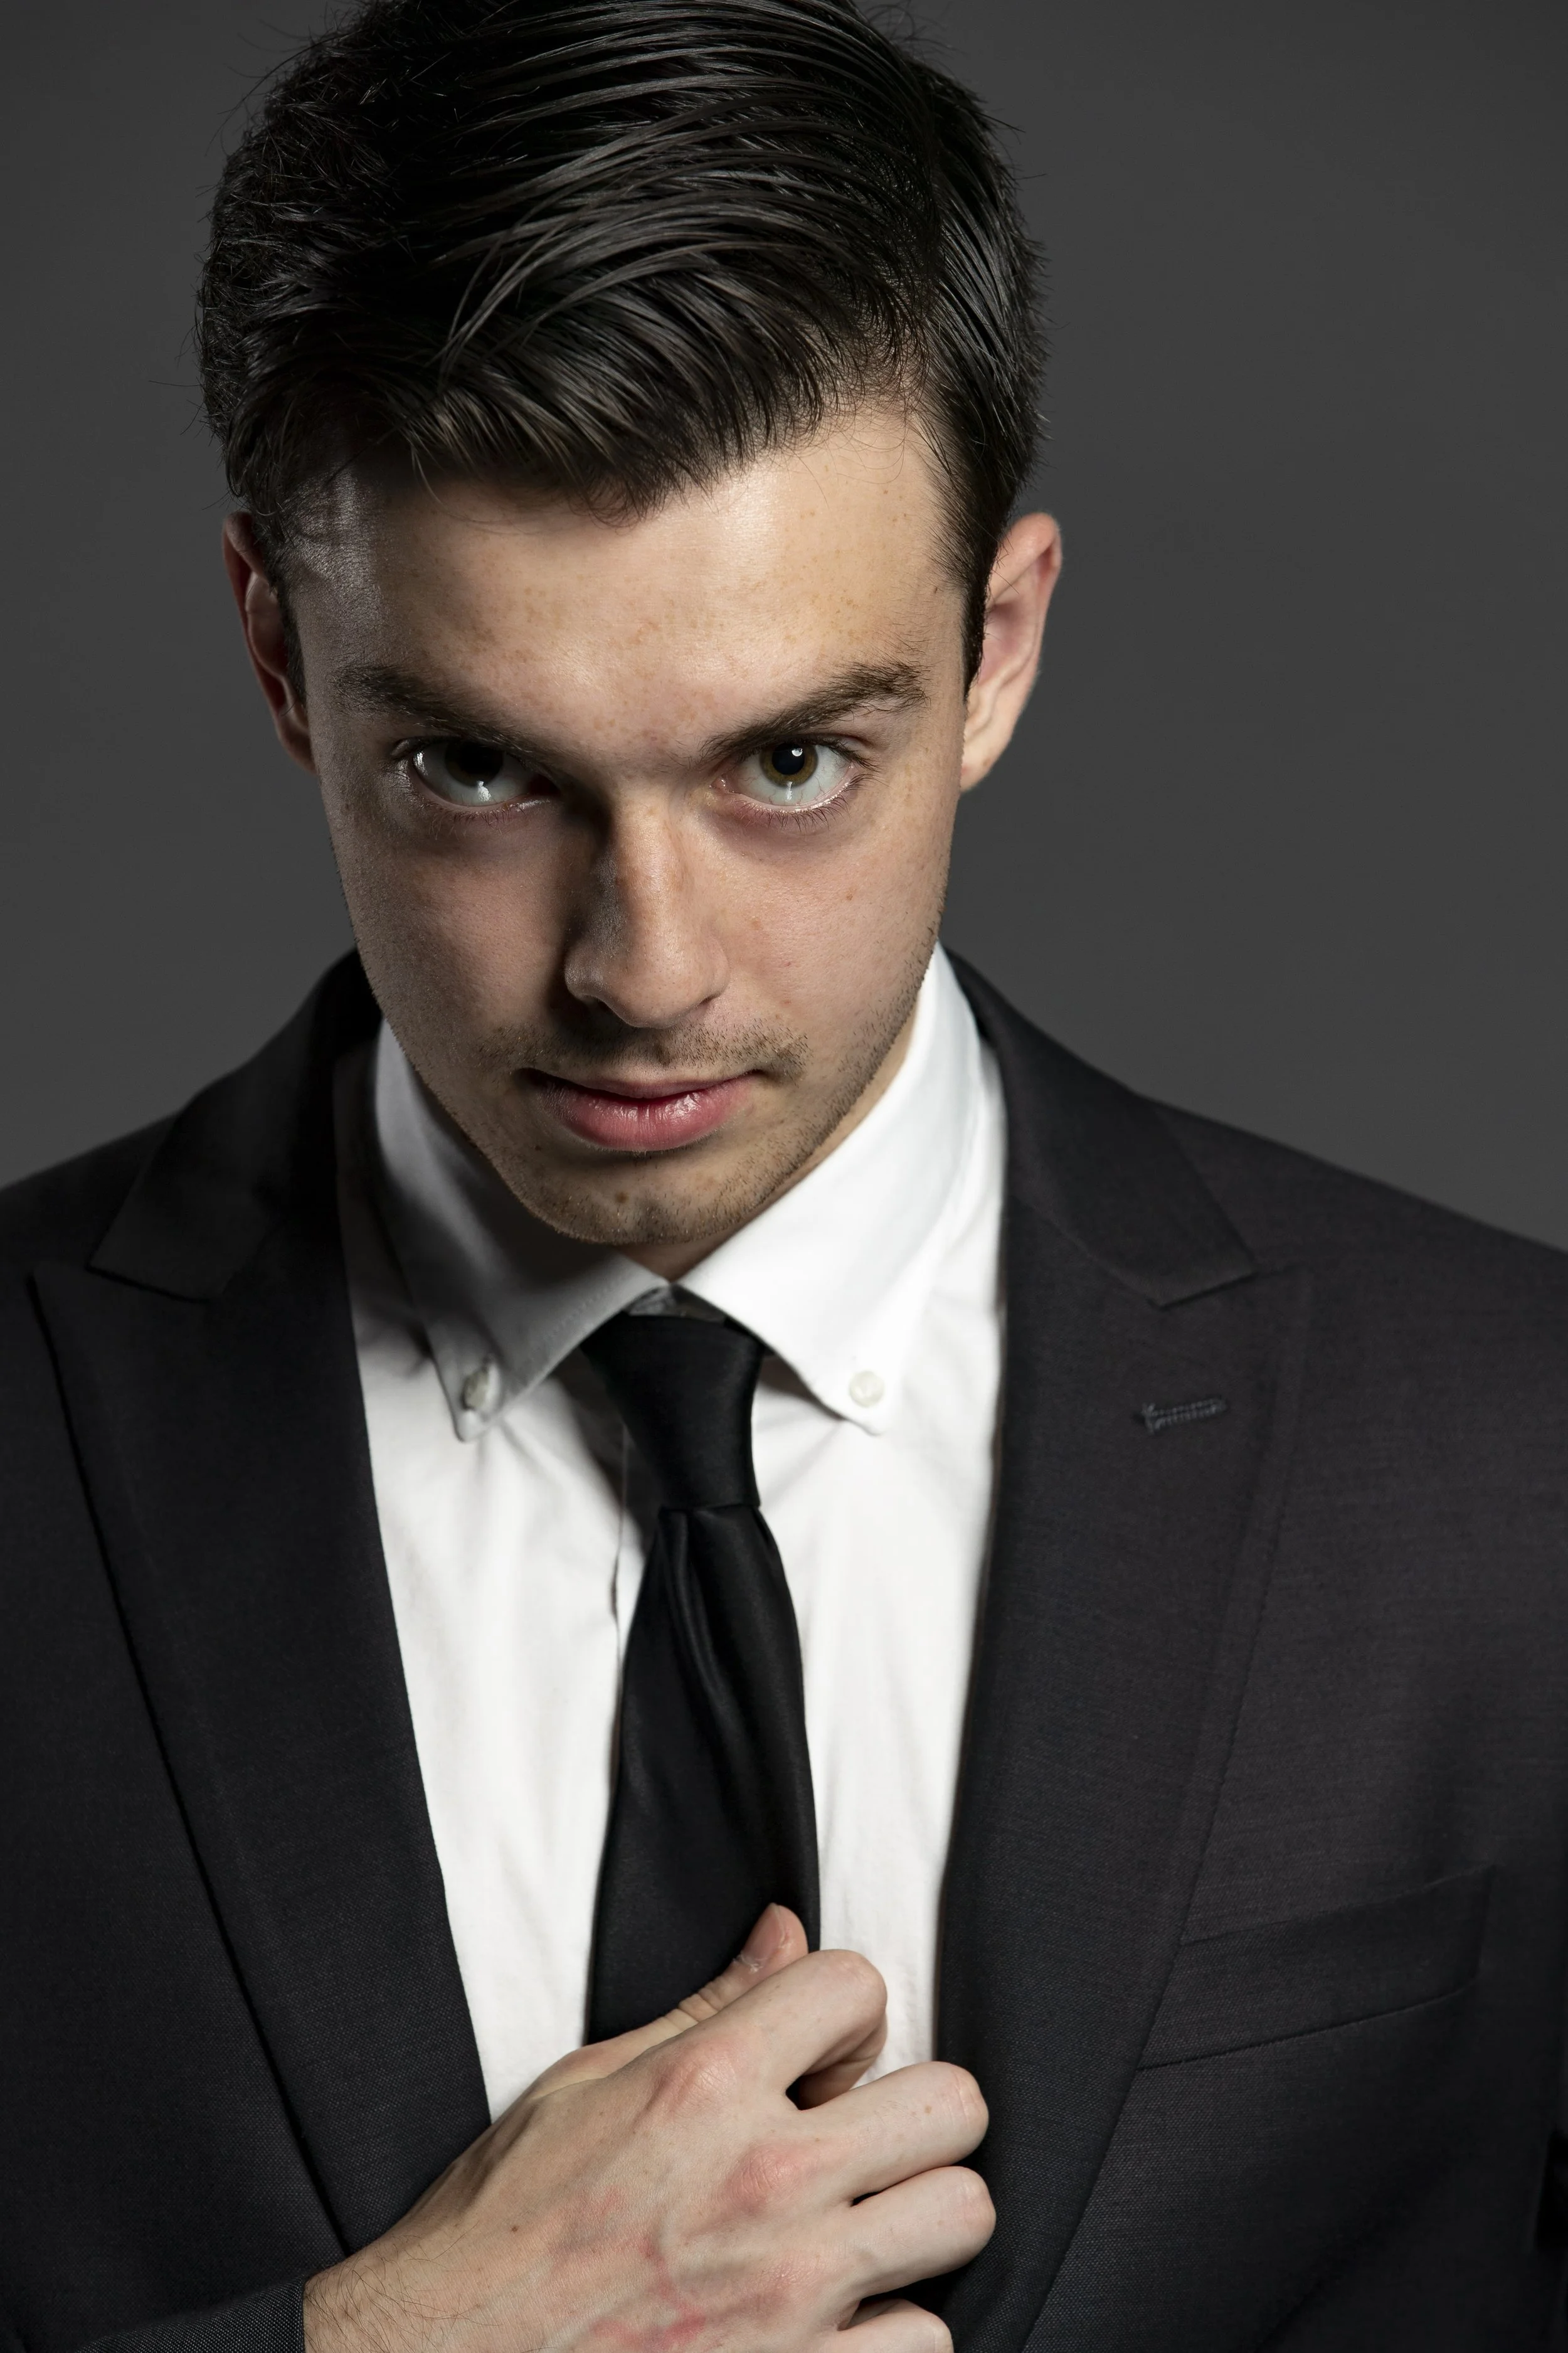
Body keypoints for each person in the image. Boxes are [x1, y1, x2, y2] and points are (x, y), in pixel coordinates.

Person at [3, 0, 1567, 2346]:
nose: (643, 967)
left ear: (998, 645)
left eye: (794, 764)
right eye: (473, 769)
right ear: (275, 654)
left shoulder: (1511, 1449)